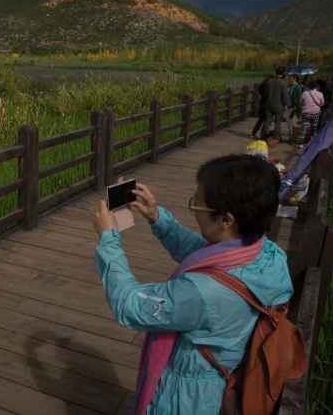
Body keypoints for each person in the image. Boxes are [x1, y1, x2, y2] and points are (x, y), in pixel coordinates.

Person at [92, 154, 292, 415]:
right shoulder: (264, 253)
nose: (194, 209)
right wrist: (158, 219)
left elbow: (131, 306)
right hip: (225, 372)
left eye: (197, 205)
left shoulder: (203, 292)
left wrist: (109, 239)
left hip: (187, 398)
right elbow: (201, 253)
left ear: (226, 220)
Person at [260, 66, 290, 140]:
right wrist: (286, 104)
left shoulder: (270, 81)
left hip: (269, 105)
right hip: (279, 106)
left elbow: (265, 94)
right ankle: (276, 138)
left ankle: (263, 137)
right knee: (278, 122)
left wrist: (267, 102)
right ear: (283, 74)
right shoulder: (283, 83)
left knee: (267, 121)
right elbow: (285, 95)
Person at [295, 80, 325, 148]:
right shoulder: (320, 94)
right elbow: (322, 104)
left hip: (306, 113)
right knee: (314, 129)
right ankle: (313, 143)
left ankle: (300, 143)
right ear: (316, 86)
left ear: (309, 86)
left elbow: (301, 101)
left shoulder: (305, 93)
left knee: (304, 128)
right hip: (316, 113)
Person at [250, 74, 273, 139]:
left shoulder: (262, 87)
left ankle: (253, 133)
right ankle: (262, 135)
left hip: (262, 105)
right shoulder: (269, 88)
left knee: (260, 120)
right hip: (267, 106)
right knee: (267, 122)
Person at [286, 73, 302, 141]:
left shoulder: (297, 87)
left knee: (292, 120)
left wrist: (296, 105)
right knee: (288, 120)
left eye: (291, 78)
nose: (289, 79)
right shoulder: (290, 86)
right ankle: (288, 134)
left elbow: (299, 97)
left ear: (295, 79)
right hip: (288, 105)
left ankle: (295, 134)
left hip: (293, 106)